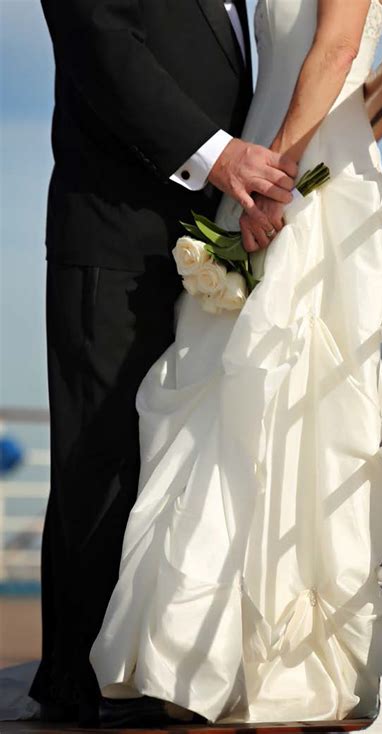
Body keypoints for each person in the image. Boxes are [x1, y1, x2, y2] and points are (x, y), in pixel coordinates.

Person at [90, 0, 382, 726]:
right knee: (220, 407)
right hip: (257, 172)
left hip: (297, 184)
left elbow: (336, 50)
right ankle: (197, 652)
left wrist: (277, 180)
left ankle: (281, 657)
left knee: (295, 404)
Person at [30, 0, 298, 725]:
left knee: (183, 455)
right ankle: (78, 678)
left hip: (218, 240)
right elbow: (100, 43)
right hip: (115, 240)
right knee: (105, 451)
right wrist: (217, 154)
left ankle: (153, 665)